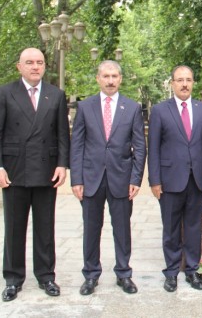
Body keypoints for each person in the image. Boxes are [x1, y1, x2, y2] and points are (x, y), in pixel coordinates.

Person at [0, 48, 69, 302]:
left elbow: (62, 134)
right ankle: (12, 279)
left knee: (45, 226)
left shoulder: (56, 95)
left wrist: (62, 164)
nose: (35, 67)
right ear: (19, 66)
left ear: (44, 67)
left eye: (39, 62)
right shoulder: (5, 93)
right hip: (14, 171)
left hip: (46, 170)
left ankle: (46, 276)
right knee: (14, 226)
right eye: (29, 63)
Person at [70, 60, 146, 296]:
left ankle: (124, 274)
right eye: (106, 76)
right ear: (98, 79)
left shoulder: (132, 107)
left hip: (122, 179)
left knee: (122, 229)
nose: (110, 80)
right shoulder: (85, 107)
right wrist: (76, 179)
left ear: (120, 79)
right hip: (91, 178)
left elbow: (140, 147)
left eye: (114, 76)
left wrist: (136, 179)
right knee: (91, 229)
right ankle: (91, 275)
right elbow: (77, 145)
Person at [148, 65, 202, 292]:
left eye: (188, 80)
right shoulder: (159, 111)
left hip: (197, 180)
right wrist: (154, 181)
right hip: (169, 181)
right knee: (171, 229)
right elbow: (154, 148)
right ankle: (171, 273)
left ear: (193, 83)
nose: (184, 84)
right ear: (173, 83)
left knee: (194, 227)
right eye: (180, 80)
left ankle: (192, 271)